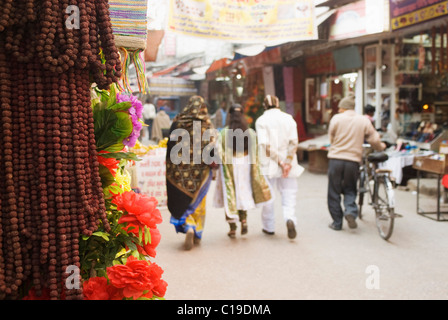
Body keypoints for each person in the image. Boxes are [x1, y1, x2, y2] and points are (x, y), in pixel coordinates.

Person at [327, 92, 386, 231]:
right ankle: (350, 212)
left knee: (333, 191)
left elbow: (331, 138)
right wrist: (381, 147)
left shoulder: (336, 119)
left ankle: (337, 222)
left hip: (336, 159)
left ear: (344, 108)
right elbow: (374, 139)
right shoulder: (363, 120)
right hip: (353, 160)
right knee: (350, 188)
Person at [213, 104, 273, 238]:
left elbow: (219, 151)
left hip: (231, 165)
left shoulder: (224, 133)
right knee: (242, 192)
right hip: (245, 165)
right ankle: (244, 220)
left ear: (229, 116)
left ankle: (232, 227)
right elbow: (256, 152)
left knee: (230, 193)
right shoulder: (250, 132)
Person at [165, 96, 215, 250]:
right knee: (198, 202)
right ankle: (196, 229)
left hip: (179, 172)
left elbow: (170, 145)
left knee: (182, 198)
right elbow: (211, 149)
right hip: (201, 171)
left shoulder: (178, 122)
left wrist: (169, 167)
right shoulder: (206, 124)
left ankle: (189, 226)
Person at [255, 95, 303, 240]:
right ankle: (290, 219)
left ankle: (269, 227)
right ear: (278, 105)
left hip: (269, 164)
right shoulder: (289, 118)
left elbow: (265, 145)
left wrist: (280, 162)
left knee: (268, 197)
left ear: (264, 106)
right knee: (289, 194)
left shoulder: (261, 120)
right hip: (289, 165)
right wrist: (287, 162)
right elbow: (294, 142)